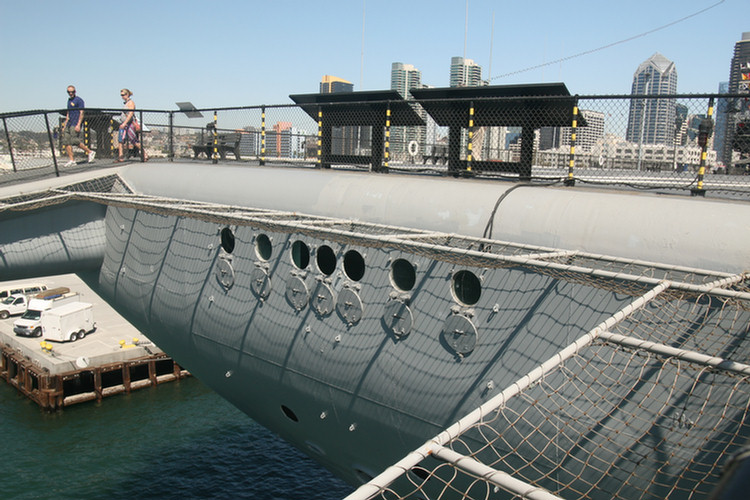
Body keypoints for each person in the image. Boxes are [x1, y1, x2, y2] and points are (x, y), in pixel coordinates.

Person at [62, 85, 95, 167]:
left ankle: (90, 152)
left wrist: (79, 124)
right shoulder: (69, 100)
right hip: (69, 123)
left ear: (75, 91)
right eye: (69, 92)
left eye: (72, 92)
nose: (70, 93)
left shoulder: (79, 100)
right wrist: (65, 124)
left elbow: (81, 112)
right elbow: (68, 113)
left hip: (75, 122)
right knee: (66, 141)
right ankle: (72, 160)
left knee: (74, 141)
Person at [117, 88, 148, 162]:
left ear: (127, 94)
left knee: (134, 140)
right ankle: (120, 157)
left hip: (128, 124)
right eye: (121, 95)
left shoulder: (131, 103)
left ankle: (144, 153)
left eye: (123, 95)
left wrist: (125, 123)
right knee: (120, 140)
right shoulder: (126, 103)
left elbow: (130, 114)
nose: (122, 96)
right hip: (123, 124)